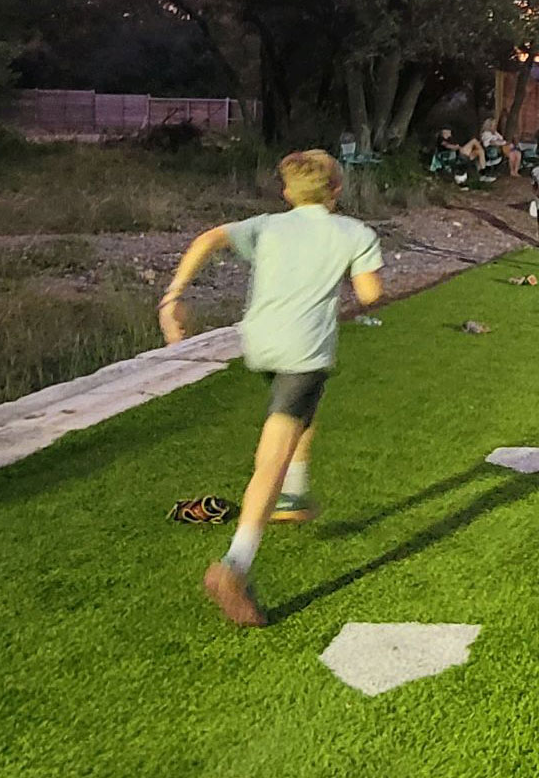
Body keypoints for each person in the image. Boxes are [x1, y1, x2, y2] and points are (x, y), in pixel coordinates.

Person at [157, 149, 383, 628]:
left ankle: (295, 494)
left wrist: (174, 295)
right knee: (271, 458)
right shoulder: (354, 232)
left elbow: (207, 239)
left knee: (304, 411)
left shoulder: (266, 225)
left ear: (287, 193)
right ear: (338, 190)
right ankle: (235, 565)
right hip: (305, 352)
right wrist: (357, 285)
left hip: (260, 345)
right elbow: (370, 295)